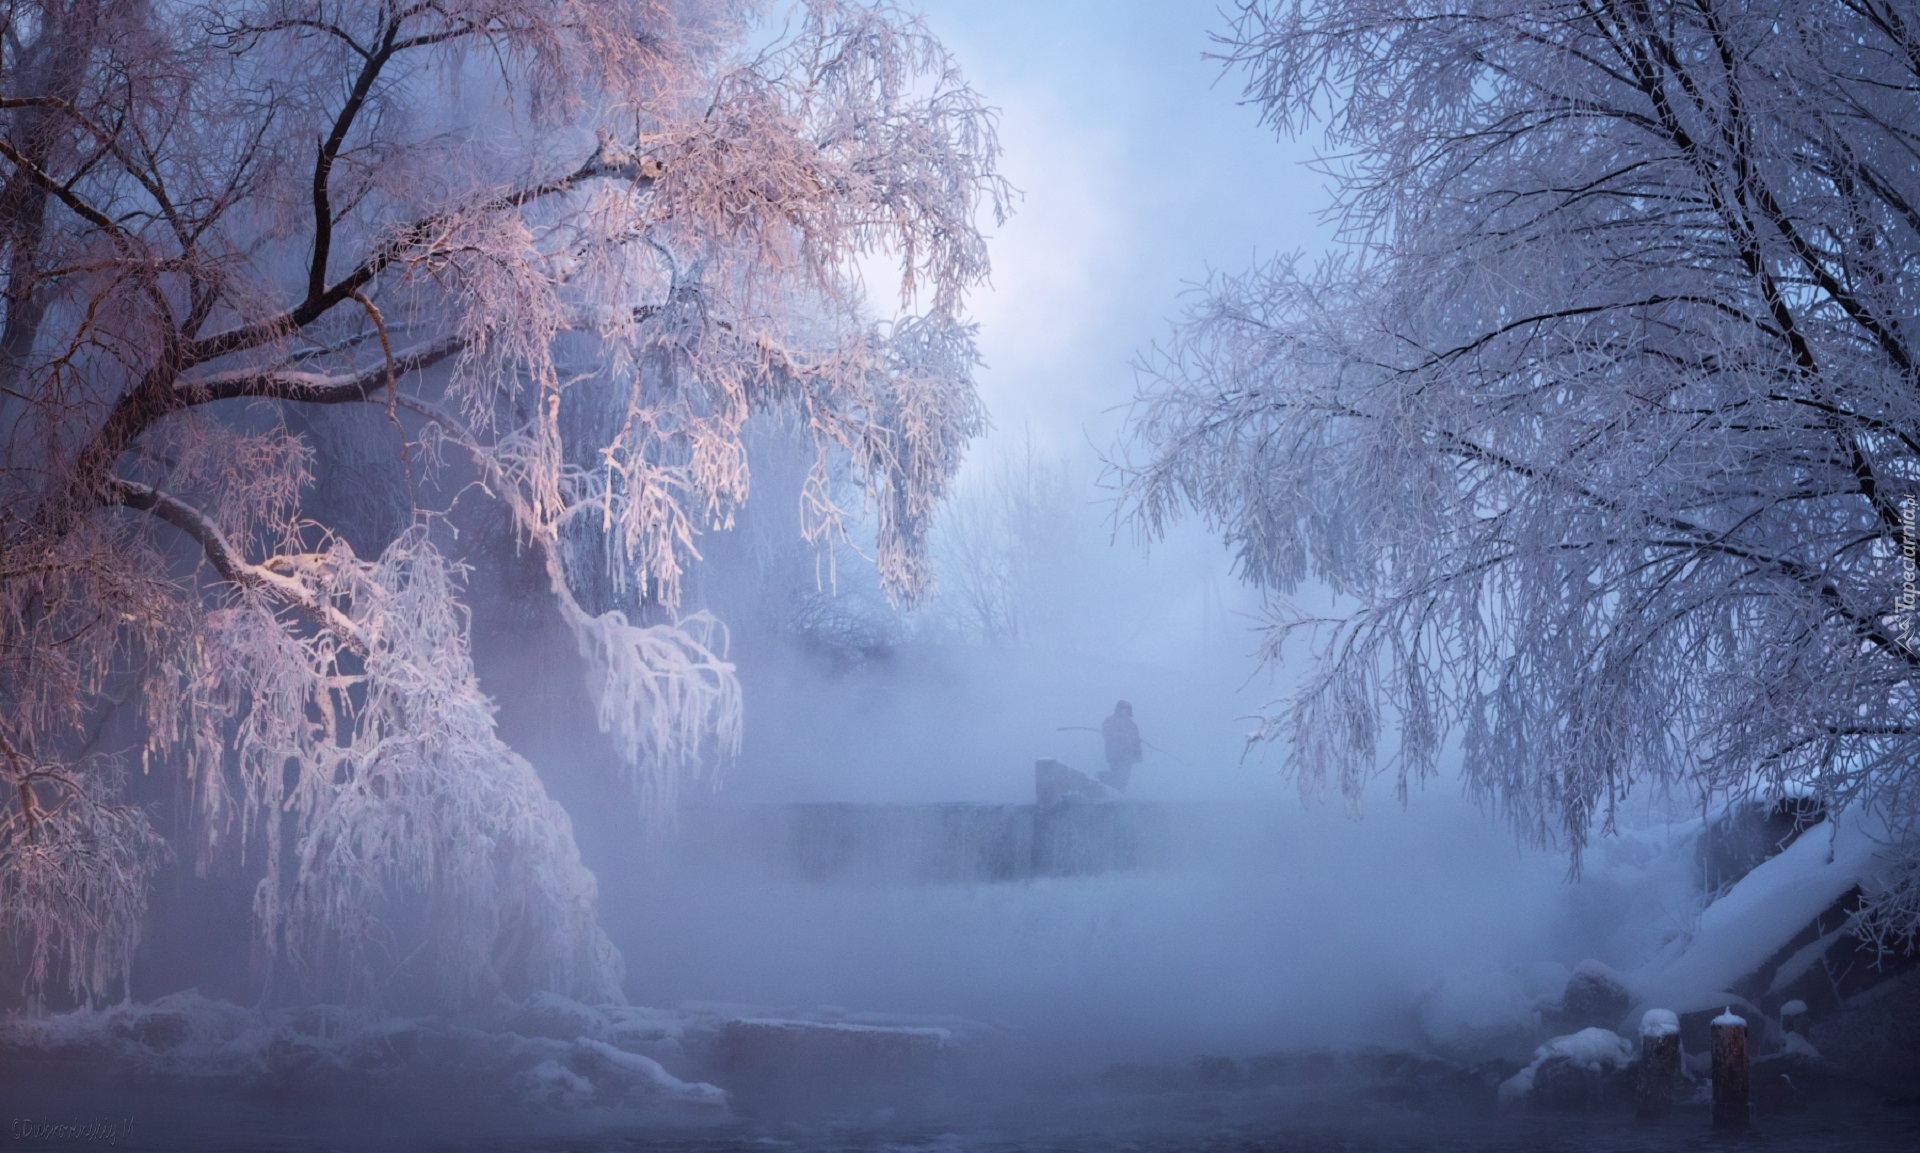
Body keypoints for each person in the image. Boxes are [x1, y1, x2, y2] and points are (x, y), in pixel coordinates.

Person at [1099, 700, 1143, 793]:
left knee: (1125, 776)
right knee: (1118, 774)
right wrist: (1118, 735)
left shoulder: (1132, 725)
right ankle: (1100, 778)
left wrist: (1138, 756)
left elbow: (1136, 742)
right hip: (1116, 753)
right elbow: (1106, 733)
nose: (1125, 711)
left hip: (1128, 756)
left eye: (1127, 709)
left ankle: (1119, 793)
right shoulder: (1110, 720)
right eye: (1123, 708)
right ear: (1118, 709)